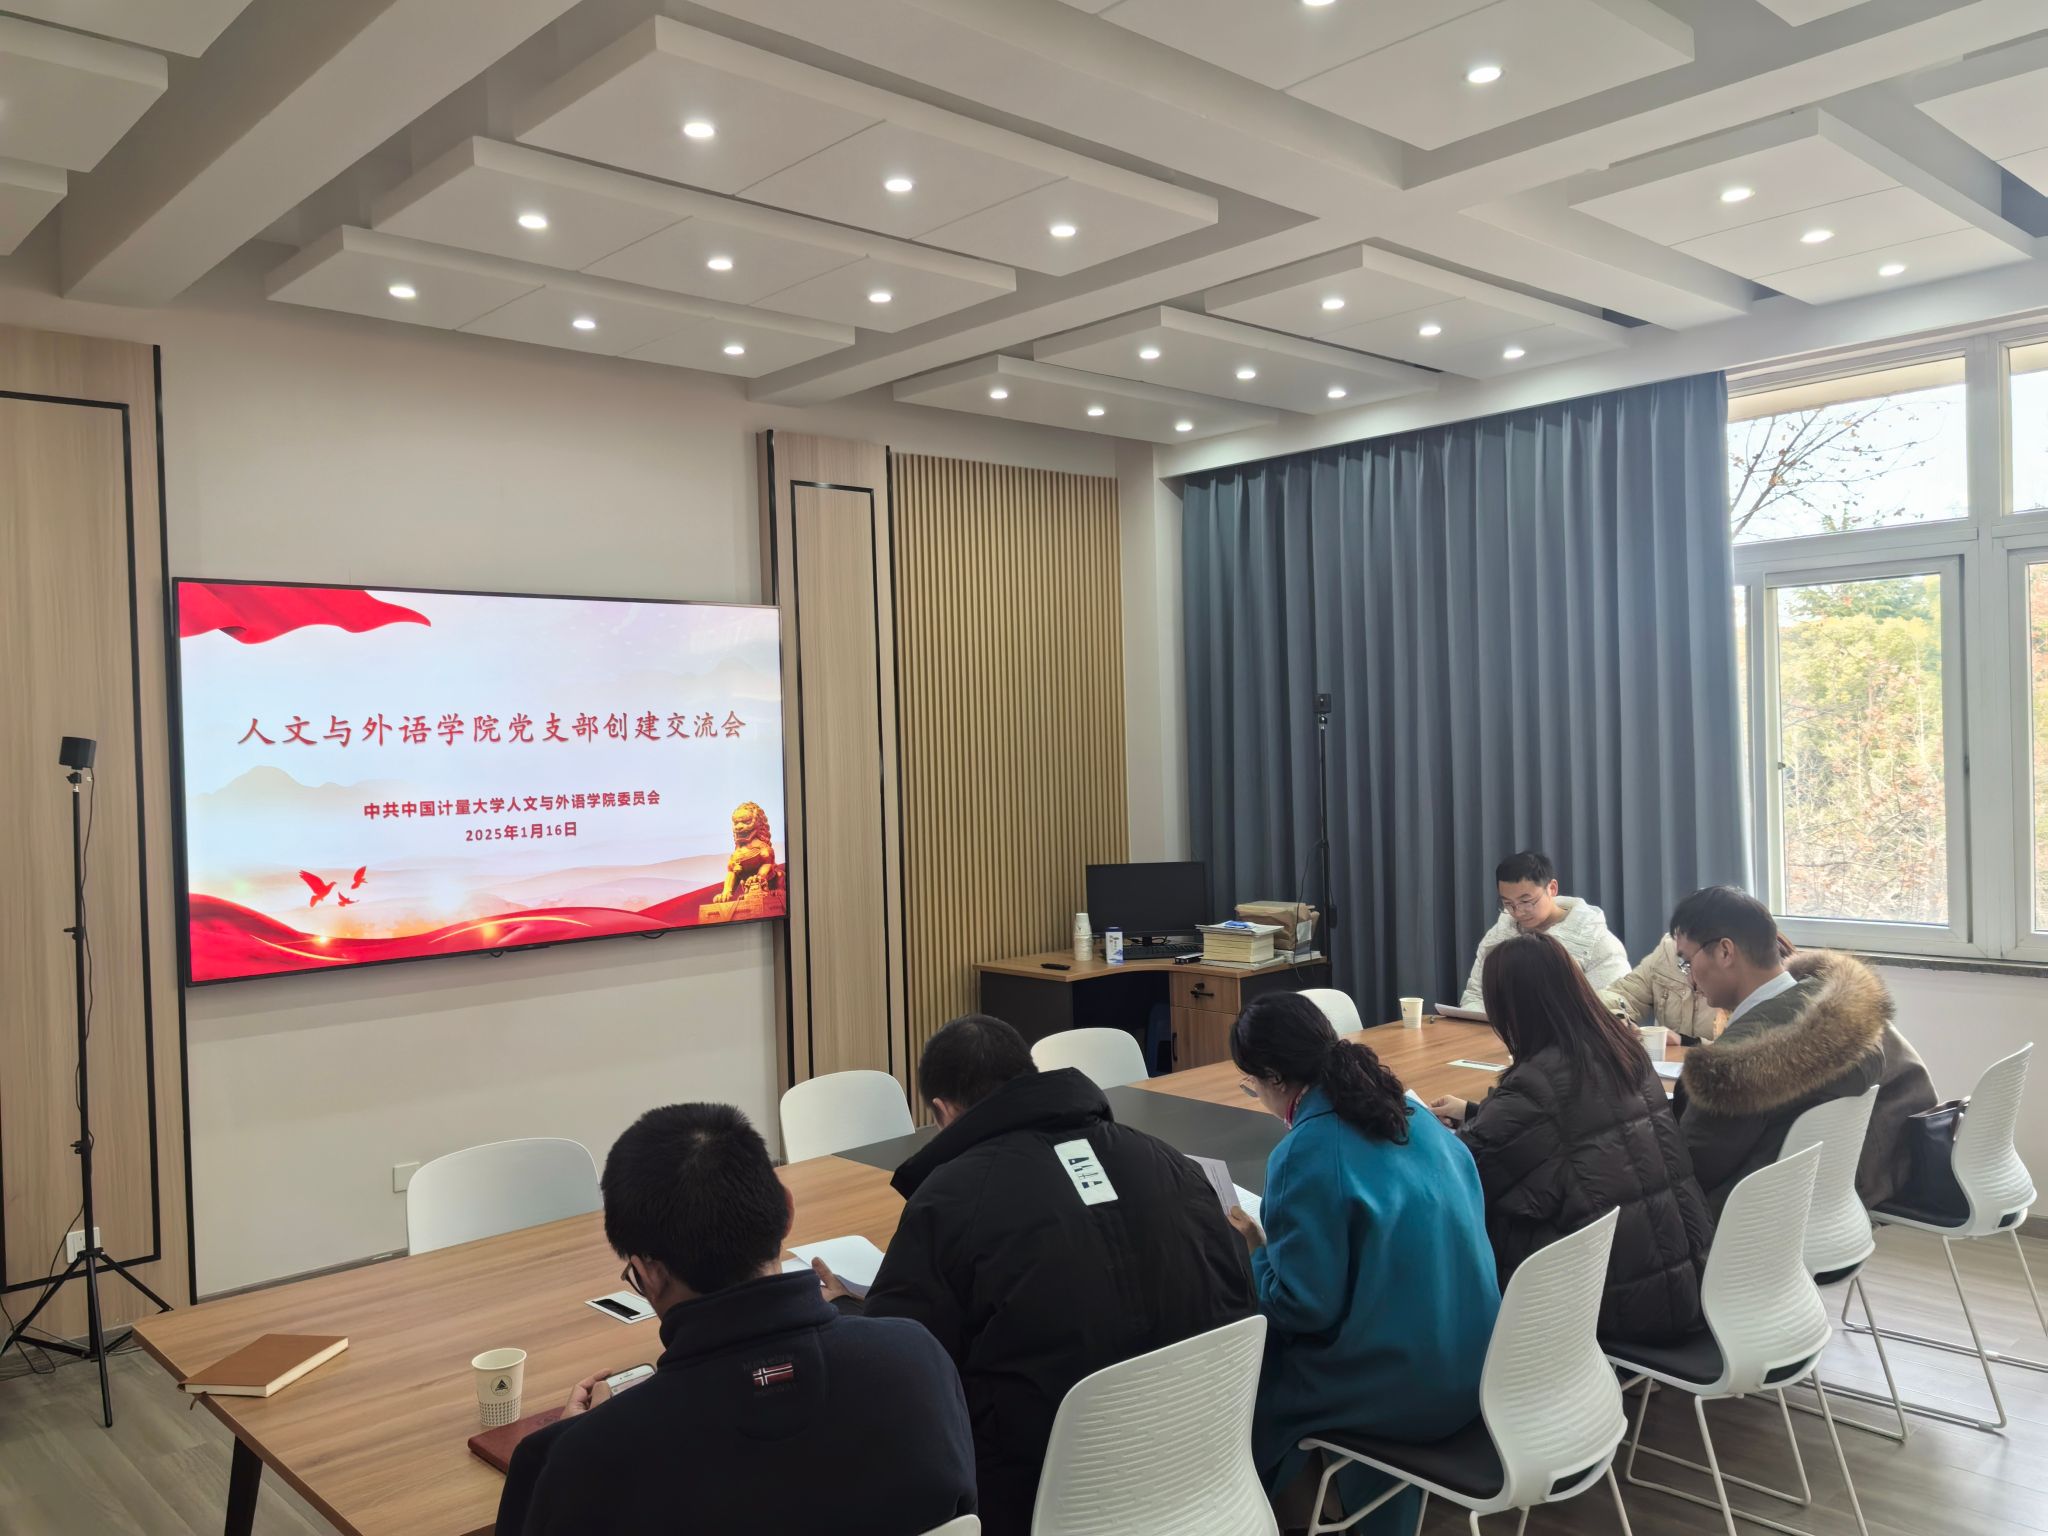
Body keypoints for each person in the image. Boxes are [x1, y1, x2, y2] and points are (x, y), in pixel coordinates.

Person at [825, 1014, 1253, 1536]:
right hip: (1205, 1474)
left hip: (1046, 1500)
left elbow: (898, 1374)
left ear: (942, 1111)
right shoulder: (1168, 1160)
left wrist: (846, 1310)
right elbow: (1237, 1294)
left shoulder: (948, 1203)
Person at [497, 1103, 975, 1536]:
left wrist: (572, 1438)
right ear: (786, 1211)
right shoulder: (919, 1362)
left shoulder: (585, 1460)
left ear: (649, 1273)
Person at [1230, 992, 1499, 1534]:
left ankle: (1294, 1516)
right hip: (1481, 1368)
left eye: (1250, 1084)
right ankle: (1347, 1508)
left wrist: (1255, 1253)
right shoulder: (1415, 1115)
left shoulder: (1305, 1151)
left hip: (1405, 1392)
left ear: (1273, 1077)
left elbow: (1303, 1309)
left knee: (1244, 1381)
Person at [1433, 934, 1713, 1343]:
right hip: (1689, 1274)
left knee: (1447, 1226)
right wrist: (1477, 1114)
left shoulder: (1536, 1084)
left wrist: (1426, 1135)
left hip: (1621, 1298)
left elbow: (1465, 1175)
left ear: (1509, 1009)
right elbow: (1571, 1129)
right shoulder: (1623, 1053)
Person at [1669, 886, 1935, 1214]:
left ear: (1725, 952)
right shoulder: (1847, 1009)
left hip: (1752, 1222)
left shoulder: (1733, 1066)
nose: (1689, 980)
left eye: (1687, 962)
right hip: (1840, 1204)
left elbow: (1689, 1171)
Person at [1461, 849, 1629, 1009]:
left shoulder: (1598, 942)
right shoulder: (1497, 937)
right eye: (1508, 904)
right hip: (1495, 1030)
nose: (1518, 912)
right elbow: (1476, 995)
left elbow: (1614, 1008)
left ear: (1552, 888)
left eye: (1526, 902)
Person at [1604, 930, 1797, 1046]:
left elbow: (1750, 1048)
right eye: (1684, 962)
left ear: (1725, 951)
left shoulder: (1754, 973)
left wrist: (1688, 1042)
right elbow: (1621, 994)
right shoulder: (1670, 951)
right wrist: (1621, 1020)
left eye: (1690, 960)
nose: (1689, 973)